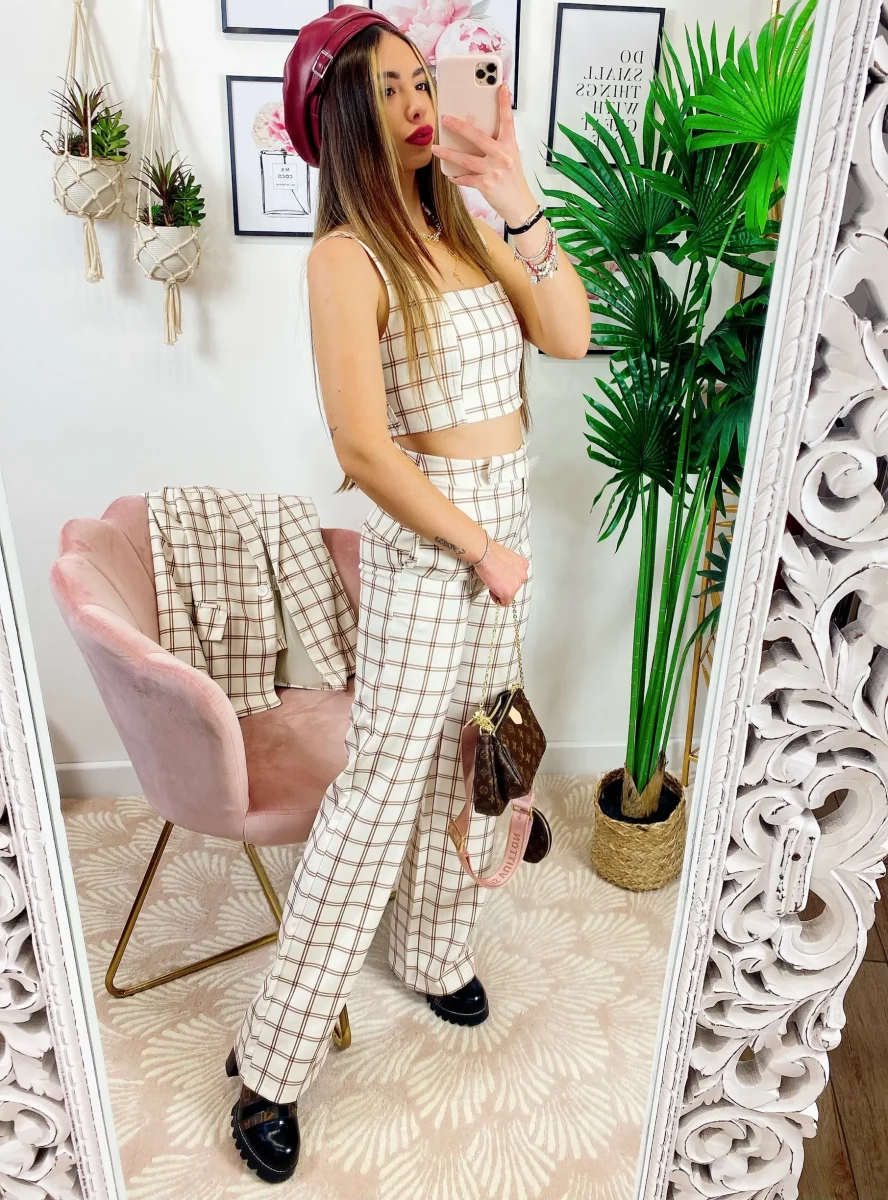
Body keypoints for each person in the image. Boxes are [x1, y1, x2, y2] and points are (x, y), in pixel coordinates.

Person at [224, 5, 591, 1183]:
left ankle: (434, 952)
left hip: (501, 533)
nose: (416, 103)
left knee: (472, 758)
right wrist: (479, 549)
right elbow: (364, 449)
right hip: (438, 548)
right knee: (378, 795)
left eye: (418, 80)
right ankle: (271, 1062)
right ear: (340, 118)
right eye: (384, 90)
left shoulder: (464, 229)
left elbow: (569, 334)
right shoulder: (346, 258)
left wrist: (514, 190)